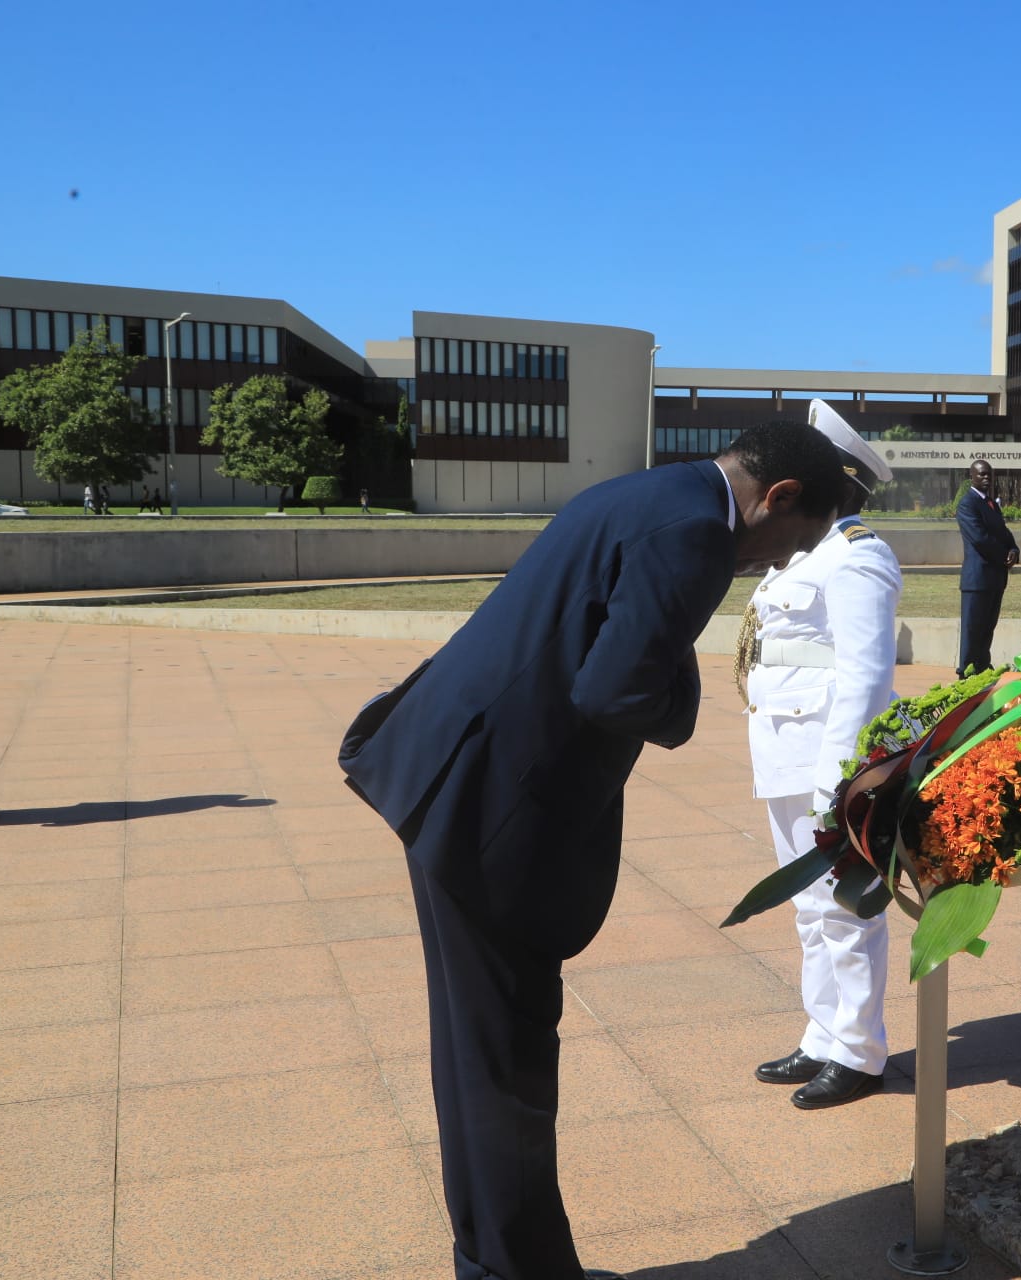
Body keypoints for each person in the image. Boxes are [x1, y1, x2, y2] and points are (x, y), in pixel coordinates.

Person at [338, 422, 845, 1280]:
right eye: (787, 543)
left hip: (454, 781)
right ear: (779, 496)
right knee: (507, 1058)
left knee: (477, 1050)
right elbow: (619, 689)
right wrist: (686, 703)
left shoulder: (647, 490)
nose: (772, 563)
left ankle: (500, 1264)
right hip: (495, 811)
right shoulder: (697, 531)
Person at [746, 400, 902, 1109]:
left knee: (844, 910)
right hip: (781, 749)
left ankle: (860, 1052)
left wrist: (839, 782)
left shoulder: (858, 554)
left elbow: (866, 678)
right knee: (808, 909)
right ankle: (823, 1035)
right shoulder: (804, 555)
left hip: (822, 759)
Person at [955, 457, 1018, 674]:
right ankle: (966, 673)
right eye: (981, 474)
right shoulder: (967, 504)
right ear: (971, 476)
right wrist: (1004, 555)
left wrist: (1014, 550)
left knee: (987, 629)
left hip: (995, 578)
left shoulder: (991, 503)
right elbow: (980, 539)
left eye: (989, 474)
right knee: (972, 630)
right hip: (977, 579)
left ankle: (982, 668)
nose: (986, 478)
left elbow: (1003, 532)